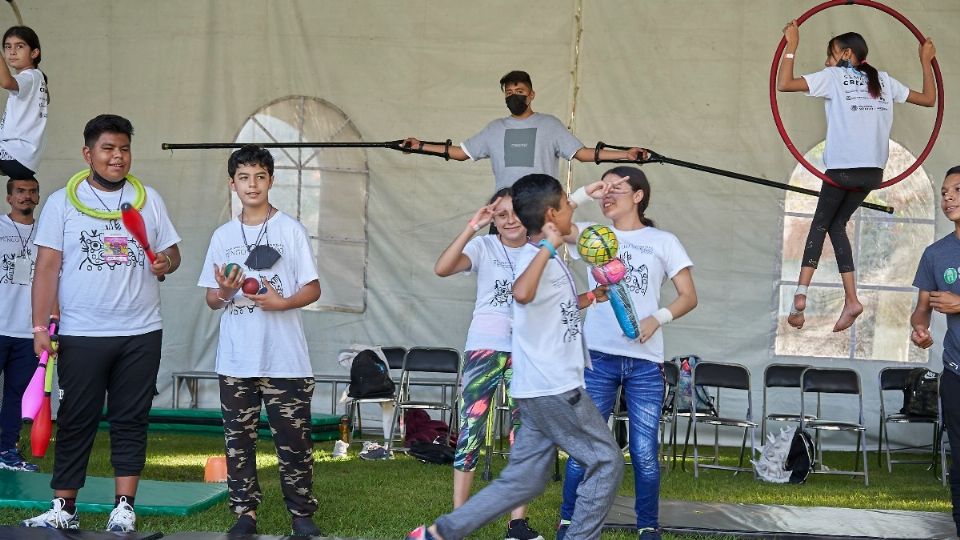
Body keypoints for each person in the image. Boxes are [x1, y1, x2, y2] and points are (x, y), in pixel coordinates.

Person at [408, 174, 623, 540]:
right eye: (567, 205)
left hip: (534, 388)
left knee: (523, 480)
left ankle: (439, 534)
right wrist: (548, 248)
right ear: (553, 216)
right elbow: (521, 293)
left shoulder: (545, 249)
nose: (573, 209)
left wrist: (587, 195)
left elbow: (552, 304)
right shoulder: (534, 255)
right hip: (555, 388)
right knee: (607, 461)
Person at [22, 114, 180, 532]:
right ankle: (64, 508)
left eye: (124, 148)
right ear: (88, 153)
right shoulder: (60, 203)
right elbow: (47, 267)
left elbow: (170, 255)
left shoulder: (150, 200)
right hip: (82, 332)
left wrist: (166, 260)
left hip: (141, 331)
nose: (118, 156)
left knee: (132, 418)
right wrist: (40, 328)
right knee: (76, 418)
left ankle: (124, 507)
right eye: (108, 148)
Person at [558, 167, 697, 540]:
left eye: (616, 187)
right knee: (585, 446)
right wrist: (587, 191)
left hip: (646, 363)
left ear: (638, 196)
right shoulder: (591, 234)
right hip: (598, 359)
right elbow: (551, 218)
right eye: (604, 188)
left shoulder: (663, 240)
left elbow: (688, 296)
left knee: (644, 452)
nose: (608, 194)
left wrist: (658, 317)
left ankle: (648, 527)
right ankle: (569, 522)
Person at [197, 144, 323, 537]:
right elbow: (212, 300)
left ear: (272, 180)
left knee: (294, 442)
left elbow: (313, 288)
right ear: (232, 183)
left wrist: (281, 302)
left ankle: (301, 515)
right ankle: (245, 514)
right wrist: (222, 289)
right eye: (244, 177)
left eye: (260, 176)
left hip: (285, 359)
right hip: (236, 360)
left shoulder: (290, 229)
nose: (252, 185)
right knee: (238, 443)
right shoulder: (222, 235)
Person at [777, 22, 936, 332]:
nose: (827, 62)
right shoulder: (885, 82)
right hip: (872, 174)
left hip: (842, 170)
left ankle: (800, 295)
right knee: (836, 224)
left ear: (847, 54)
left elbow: (783, 83)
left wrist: (792, 45)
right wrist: (925, 61)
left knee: (821, 223)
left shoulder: (835, 77)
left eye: (830, 55)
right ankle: (852, 300)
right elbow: (930, 99)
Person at [434, 188, 544, 540]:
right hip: (484, 348)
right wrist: (472, 226)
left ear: (528, 216)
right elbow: (442, 268)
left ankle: (517, 523)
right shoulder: (484, 247)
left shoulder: (541, 254)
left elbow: (559, 304)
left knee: (523, 435)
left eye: (515, 212)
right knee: (470, 431)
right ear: (492, 219)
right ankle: (459, 519)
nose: (509, 219)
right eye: (500, 215)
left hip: (524, 353)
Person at [403, 70, 644, 190]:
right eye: (509, 93)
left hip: (542, 209)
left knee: (539, 274)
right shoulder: (494, 128)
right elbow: (461, 152)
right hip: (505, 208)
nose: (514, 96)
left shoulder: (549, 124)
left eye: (519, 92)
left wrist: (626, 154)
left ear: (531, 95)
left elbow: (582, 154)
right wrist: (420, 146)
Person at [909, 166, 960, 538]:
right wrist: (920, 329)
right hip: (956, 372)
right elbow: (922, 308)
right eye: (944, 192)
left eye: (957, 190)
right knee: (959, 455)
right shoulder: (935, 254)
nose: (948, 198)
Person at [0, 176, 40, 471]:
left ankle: (6, 452)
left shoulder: (46, 232)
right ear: (9, 197)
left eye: (32, 191)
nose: (26, 196)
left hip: (29, 330)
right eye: (20, 192)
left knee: (17, 394)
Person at [0, 26, 48, 183]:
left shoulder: (30, 77)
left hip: (13, 153)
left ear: (34, 53)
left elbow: (6, 82)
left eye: (19, 46)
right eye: (8, 47)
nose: (12, 52)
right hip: (23, 160)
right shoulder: (36, 78)